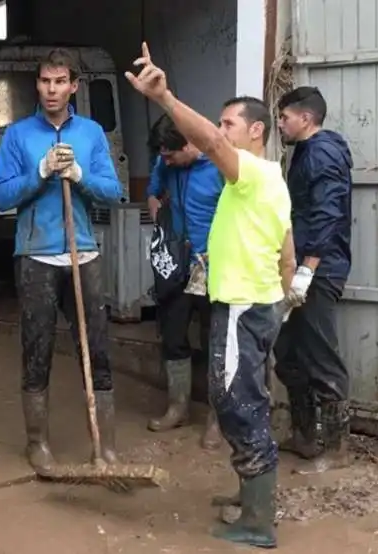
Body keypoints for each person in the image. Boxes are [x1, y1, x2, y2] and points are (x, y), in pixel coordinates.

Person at [126, 42, 296, 548]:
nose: (220, 133)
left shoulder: (249, 174)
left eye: (228, 123)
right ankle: (251, 499)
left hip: (242, 305)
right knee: (246, 399)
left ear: (255, 131)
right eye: (220, 124)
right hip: (256, 303)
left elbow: (214, 147)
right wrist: (281, 305)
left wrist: (166, 98)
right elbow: (287, 252)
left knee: (236, 404)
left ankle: (258, 522)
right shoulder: (270, 181)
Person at [0, 49, 123, 472]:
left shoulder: (91, 133)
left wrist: (79, 175)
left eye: (60, 81)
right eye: (45, 81)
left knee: (97, 348)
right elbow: (0, 195)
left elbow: (112, 191)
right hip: (36, 255)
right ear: (38, 85)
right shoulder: (18, 135)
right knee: (38, 347)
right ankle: (38, 443)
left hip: (82, 253)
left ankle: (105, 446)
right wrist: (42, 171)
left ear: (73, 86)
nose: (52, 89)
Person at [273, 86, 353, 474]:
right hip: (299, 267)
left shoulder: (321, 152)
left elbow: (328, 212)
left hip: (317, 270)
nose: (280, 123)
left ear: (305, 118)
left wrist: (308, 268)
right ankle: (304, 437)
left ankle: (337, 450)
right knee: (289, 353)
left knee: (320, 354)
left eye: (285, 116)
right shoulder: (303, 152)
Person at [145, 114, 225, 450]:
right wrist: (162, 227)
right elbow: (153, 193)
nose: (165, 162)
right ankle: (178, 407)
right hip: (177, 268)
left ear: (190, 143)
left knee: (217, 343)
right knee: (174, 336)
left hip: (216, 267)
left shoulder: (222, 165)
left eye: (170, 155)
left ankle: (217, 420)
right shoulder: (166, 163)